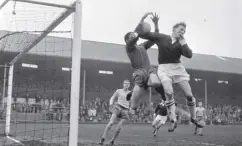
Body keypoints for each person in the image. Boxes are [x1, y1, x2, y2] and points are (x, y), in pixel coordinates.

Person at [136, 13, 203, 132]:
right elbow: (143, 34)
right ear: (174, 29)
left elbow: (189, 55)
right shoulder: (163, 38)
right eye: (181, 29)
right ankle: (173, 119)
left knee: (189, 95)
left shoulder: (181, 44)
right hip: (164, 69)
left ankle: (193, 118)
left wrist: (183, 42)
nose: (182, 32)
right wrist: (142, 22)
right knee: (168, 91)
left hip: (178, 69)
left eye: (184, 31)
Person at [124, 12, 165, 114]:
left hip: (149, 69)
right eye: (130, 36)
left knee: (156, 82)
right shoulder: (129, 47)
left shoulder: (142, 46)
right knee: (133, 106)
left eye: (132, 35)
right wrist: (140, 23)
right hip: (139, 72)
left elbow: (155, 38)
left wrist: (155, 24)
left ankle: (164, 97)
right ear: (127, 40)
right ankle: (132, 107)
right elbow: (133, 39)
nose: (132, 36)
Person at [99, 80, 131, 145]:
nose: (127, 84)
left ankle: (112, 140)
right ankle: (103, 138)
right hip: (118, 107)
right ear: (123, 84)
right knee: (111, 123)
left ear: (129, 85)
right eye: (125, 83)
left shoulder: (131, 93)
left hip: (125, 110)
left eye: (128, 83)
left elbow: (133, 101)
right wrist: (111, 104)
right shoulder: (118, 91)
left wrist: (132, 108)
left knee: (119, 128)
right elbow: (113, 97)